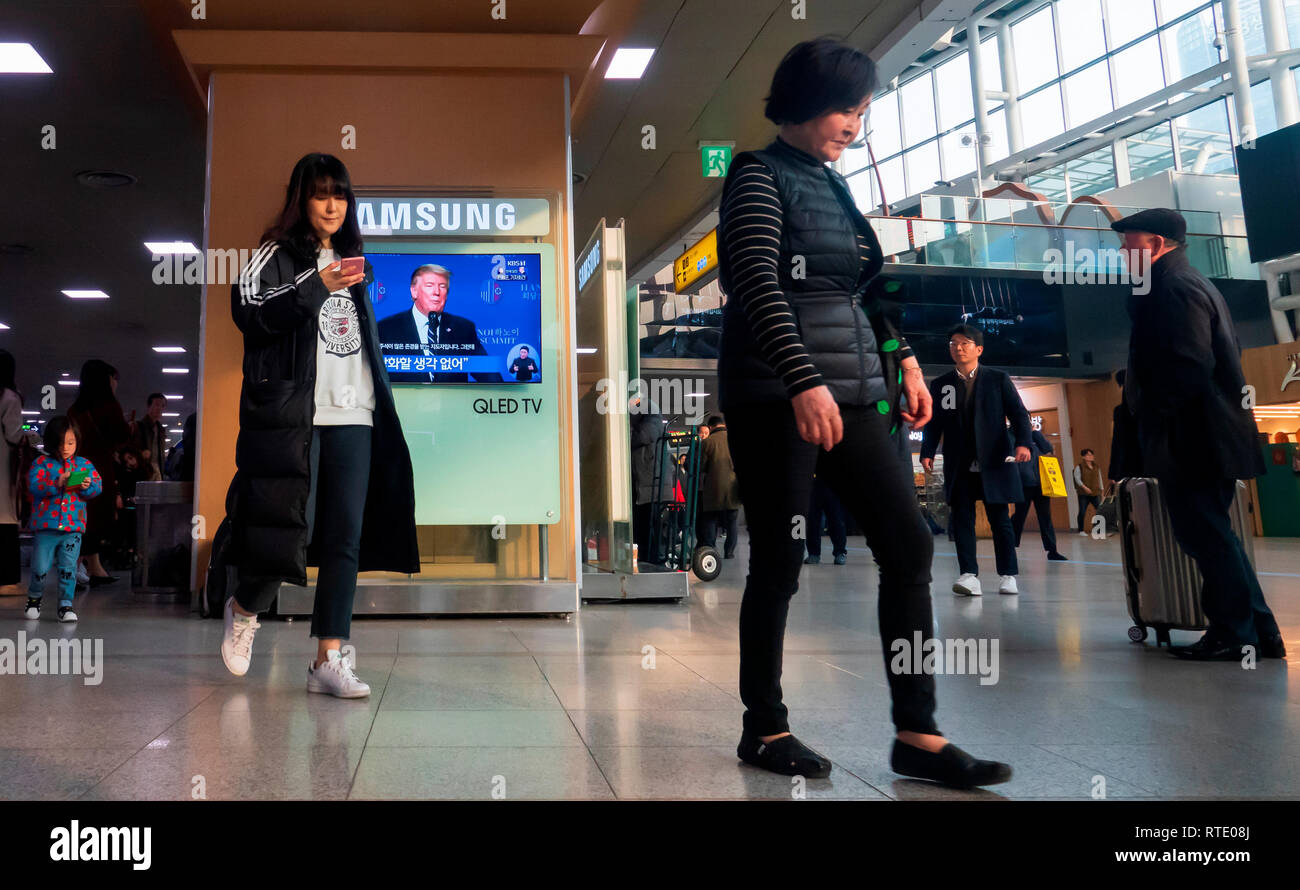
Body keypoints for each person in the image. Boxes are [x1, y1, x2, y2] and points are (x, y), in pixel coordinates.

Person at [717, 38, 1010, 787]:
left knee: (908, 544)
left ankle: (917, 734)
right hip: (777, 395)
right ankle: (765, 726)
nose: (857, 121)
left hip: (855, 392)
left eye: (864, 109)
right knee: (780, 560)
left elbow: (868, 287)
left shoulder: (833, 184)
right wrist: (800, 378)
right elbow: (754, 281)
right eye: (849, 107)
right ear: (809, 100)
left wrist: (905, 357)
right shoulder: (756, 175)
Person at [223, 151, 420, 696]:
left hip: (355, 414)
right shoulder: (276, 254)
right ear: (301, 199)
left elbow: (356, 342)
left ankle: (327, 659)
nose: (332, 205)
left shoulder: (357, 261)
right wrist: (317, 284)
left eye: (340, 194)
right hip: (299, 416)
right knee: (287, 528)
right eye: (321, 194)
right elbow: (248, 311)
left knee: (344, 540)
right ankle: (243, 610)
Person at [1115, 207, 1282, 661]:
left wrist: (1153, 411)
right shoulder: (1188, 282)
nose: (1122, 249)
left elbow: (1189, 363)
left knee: (1205, 536)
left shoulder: (1172, 287)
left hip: (1193, 436)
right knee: (1215, 535)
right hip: (1205, 433)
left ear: (1155, 243)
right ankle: (1261, 632)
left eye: (1129, 240)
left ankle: (1233, 632)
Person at [920, 324, 1033, 596]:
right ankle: (969, 575)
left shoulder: (997, 379)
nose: (958, 348)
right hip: (959, 461)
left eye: (964, 343)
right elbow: (935, 423)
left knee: (1000, 519)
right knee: (962, 519)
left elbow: (1019, 415)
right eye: (953, 344)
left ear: (978, 349)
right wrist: (927, 451)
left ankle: (1008, 575)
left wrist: (1023, 443)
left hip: (994, 460)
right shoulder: (941, 384)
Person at [24, 416, 102, 622]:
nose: (66, 448)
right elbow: (33, 487)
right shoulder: (41, 463)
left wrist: (87, 486)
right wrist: (56, 482)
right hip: (45, 527)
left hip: (73, 528)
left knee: (69, 569)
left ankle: (65, 605)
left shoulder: (83, 464)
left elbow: (97, 487)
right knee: (40, 566)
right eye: (60, 443)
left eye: (71, 442)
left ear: (77, 441)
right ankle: (34, 598)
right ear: (51, 442)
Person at [377, 264, 503, 383]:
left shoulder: (463, 328)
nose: (436, 292)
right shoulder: (386, 328)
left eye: (442, 286)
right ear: (414, 291)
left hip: (451, 405)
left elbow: (491, 377)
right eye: (429, 285)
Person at [67, 359, 130, 587]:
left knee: (80, 516)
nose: (115, 383)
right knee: (95, 518)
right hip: (97, 470)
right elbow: (121, 435)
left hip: (75, 470)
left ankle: (93, 567)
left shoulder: (74, 409)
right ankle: (77, 566)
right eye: (113, 378)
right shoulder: (108, 406)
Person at [1, 349, 40, 595]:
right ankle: (5, 579)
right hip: (3, 466)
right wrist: (33, 437)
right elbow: (14, 434)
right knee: (5, 518)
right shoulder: (9, 397)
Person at [1010, 426, 1067, 560]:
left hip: (1042, 483)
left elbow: (1048, 448)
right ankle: (1011, 546)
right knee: (1019, 516)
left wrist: (1035, 432)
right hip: (1024, 483)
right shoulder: (1012, 436)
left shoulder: (1035, 435)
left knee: (1045, 517)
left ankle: (1052, 550)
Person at [629, 397, 671, 563]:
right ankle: (648, 564)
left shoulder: (650, 418)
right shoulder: (646, 418)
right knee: (644, 533)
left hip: (653, 489)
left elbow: (641, 437)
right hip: (646, 489)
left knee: (652, 534)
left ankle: (655, 566)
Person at [696, 414, 739, 560]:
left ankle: (710, 549)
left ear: (711, 427)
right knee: (732, 522)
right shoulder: (735, 439)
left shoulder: (707, 443)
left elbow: (701, 466)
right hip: (733, 487)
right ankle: (730, 552)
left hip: (714, 488)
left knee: (710, 519)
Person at [1107, 369, 1143, 489]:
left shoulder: (1120, 412)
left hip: (1128, 465)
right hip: (1150, 462)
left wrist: (1112, 472)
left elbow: (1117, 442)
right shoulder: (1149, 408)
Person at [804, 474, 848, 565]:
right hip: (813, 482)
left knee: (836, 520)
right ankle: (813, 553)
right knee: (813, 521)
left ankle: (840, 553)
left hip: (832, 482)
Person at [129, 393, 167, 481]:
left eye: (162, 406)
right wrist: (140, 454)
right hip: (143, 472)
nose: (160, 408)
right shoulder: (138, 426)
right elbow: (129, 450)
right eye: (157, 404)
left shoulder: (161, 430)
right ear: (149, 406)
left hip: (157, 472)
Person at [1073, 448, 1104, 535]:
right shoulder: (1079, 467)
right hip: (1083, 494)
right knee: (1082, 511)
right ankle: (1081, 530)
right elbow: (1077, 479)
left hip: (1095, 492)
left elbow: (1099, 479)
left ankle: (1098, 529)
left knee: (1099, 510)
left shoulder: (1096, 466)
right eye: (1088, 455)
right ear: (1083, 457)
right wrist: (1085, 488)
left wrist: (1102, 491)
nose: (1091, 457)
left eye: (1092, 455)